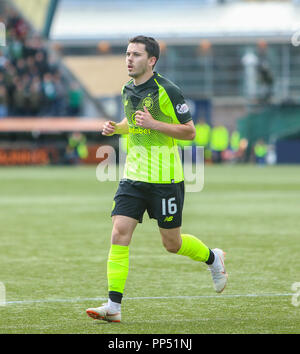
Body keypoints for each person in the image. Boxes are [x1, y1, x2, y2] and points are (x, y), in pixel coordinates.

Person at [86, 36, 228, 323]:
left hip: (166, 179)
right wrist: (116, 128)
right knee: (118, 233)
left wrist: (154, 124)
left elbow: (189, 132)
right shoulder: (127, 88)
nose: (129, 59)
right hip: (133, 177)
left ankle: (213, 258)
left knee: (171, 244)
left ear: (151, 60)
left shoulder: (168, 90)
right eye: (127, 53)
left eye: (136, 54)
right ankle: (114, 306)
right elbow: (133, 124)